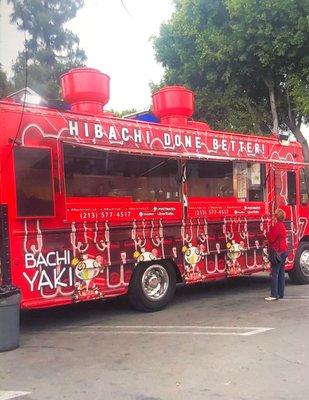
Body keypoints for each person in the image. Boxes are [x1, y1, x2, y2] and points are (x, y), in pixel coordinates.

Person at [265, 208, 288, 301]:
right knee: (281, 272)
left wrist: (268, 231)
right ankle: (281, 293)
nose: (273, 217)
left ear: (276, 217)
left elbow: (271, 239)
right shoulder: (282, 225)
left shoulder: (276, 226)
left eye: (274, 215)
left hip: (277, 252)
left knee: (274, 273)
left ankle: (274, 294)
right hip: (283, 251)